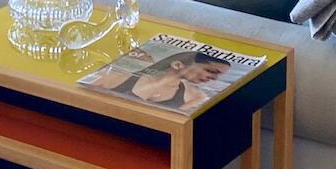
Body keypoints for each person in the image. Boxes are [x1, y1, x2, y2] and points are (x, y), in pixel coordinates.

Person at [90, 49, 231, 113]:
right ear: (177, 65)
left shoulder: (196, 97)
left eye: (218, 76)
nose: (213, 78)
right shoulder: (121, 76)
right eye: (211, 71)